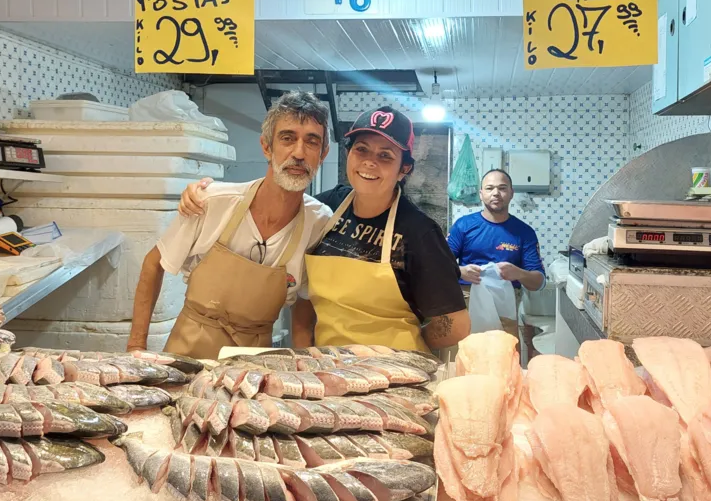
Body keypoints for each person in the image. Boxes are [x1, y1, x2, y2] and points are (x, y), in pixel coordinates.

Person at [178, 106, 470, 353]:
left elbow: (456, 324)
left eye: (386, 156)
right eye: (362, 149)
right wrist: (204, 191)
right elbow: (305, 295)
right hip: (330, 367)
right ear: (349, 155)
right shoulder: (324, 209)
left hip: (394, 370)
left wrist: (410, 349)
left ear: (404, 169)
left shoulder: (419, 232)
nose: (370, 161)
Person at [126, 92, 333, 359]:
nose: (299, 153)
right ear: (267, 147)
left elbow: (304, 301)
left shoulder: (320, 222)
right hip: (189, 349)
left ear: (323, 153)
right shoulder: (212, 202)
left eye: (312, 142)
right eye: (287, 138)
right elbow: (154, 264)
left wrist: (302, 361)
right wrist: (135, 347)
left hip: (256, 362)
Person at [447, 168, 546, 296]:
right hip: (467, 298)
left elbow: (539, 283)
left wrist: (518, 273)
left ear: (511, 193)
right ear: (481, 194)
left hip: (507, 302)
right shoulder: (463, 225)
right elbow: (438, 264)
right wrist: (460, 271)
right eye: (489, 188)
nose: (496, 193)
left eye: (502, 188)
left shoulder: (525, 232)